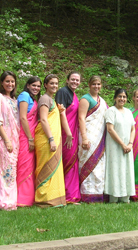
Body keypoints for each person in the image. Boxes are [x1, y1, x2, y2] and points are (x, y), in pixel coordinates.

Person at [34, 74, 66, 207]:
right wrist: (51, 139)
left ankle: (53, 198)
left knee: (54, 167)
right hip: (46, 139)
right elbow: (43, 119)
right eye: (51, 83)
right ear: (46, 85)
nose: (54, 86)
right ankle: (43, 199)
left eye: (56, 83)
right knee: (45, 167)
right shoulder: (45, 99)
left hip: (52, 139)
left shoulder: (51, 100)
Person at [78, 75, 108, 203]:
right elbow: (81, 118)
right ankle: (87, 194)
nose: (96, 86)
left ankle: (98, 193)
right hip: (89, 135)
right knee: (88, 162)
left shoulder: (102, 101)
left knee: (99, 166)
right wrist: (84, 138)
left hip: (100, 137)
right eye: (94, 84)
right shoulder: (85, 99)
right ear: (89, 85)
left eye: (99, 84)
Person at [0, 71, 20, 210]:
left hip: (15, 140)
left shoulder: (15, 100)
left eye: (12, 81)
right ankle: (2, 199)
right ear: (2, 83)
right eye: (7, 81)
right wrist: (6, 140)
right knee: (4, 170)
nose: (10, 84)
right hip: (4, 139)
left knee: (11, 171)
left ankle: (11, 199)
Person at [104, 88, 136, 203]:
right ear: (115, 98)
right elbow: (110, 129)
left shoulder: (128, 112)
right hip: (115, 146)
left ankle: (125, 197)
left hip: (128, 147)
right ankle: (114, 197)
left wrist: (130, 144)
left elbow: (133, 129)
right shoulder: (111, 111)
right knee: (116, 169)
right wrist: (122, 144)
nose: (122, 99)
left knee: (126, 169)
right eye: (120, 96)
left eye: (124, 97)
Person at [55, 71, 81, 204]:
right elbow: (61, 113)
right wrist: (68, 133)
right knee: (68, 162)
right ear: (67, 80)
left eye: (77, 80)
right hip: (66, 133)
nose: (75, 82)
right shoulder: (62, 92)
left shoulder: (74, 95)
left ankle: (72, 194)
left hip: (73, 133)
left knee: (73, 163)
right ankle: (67, 195)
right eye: (73, 79)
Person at [17, 76, 41, 207]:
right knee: (24, 166)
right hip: (25, 135)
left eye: (38, 86)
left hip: (31, 135)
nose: (36, 88)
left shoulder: (32, 98)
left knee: (30, 166)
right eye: (34, 85)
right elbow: (23, 117)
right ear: (27, 85)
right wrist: (30, 138)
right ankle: (21, 198)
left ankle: (28, 197)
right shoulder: (24, 95)